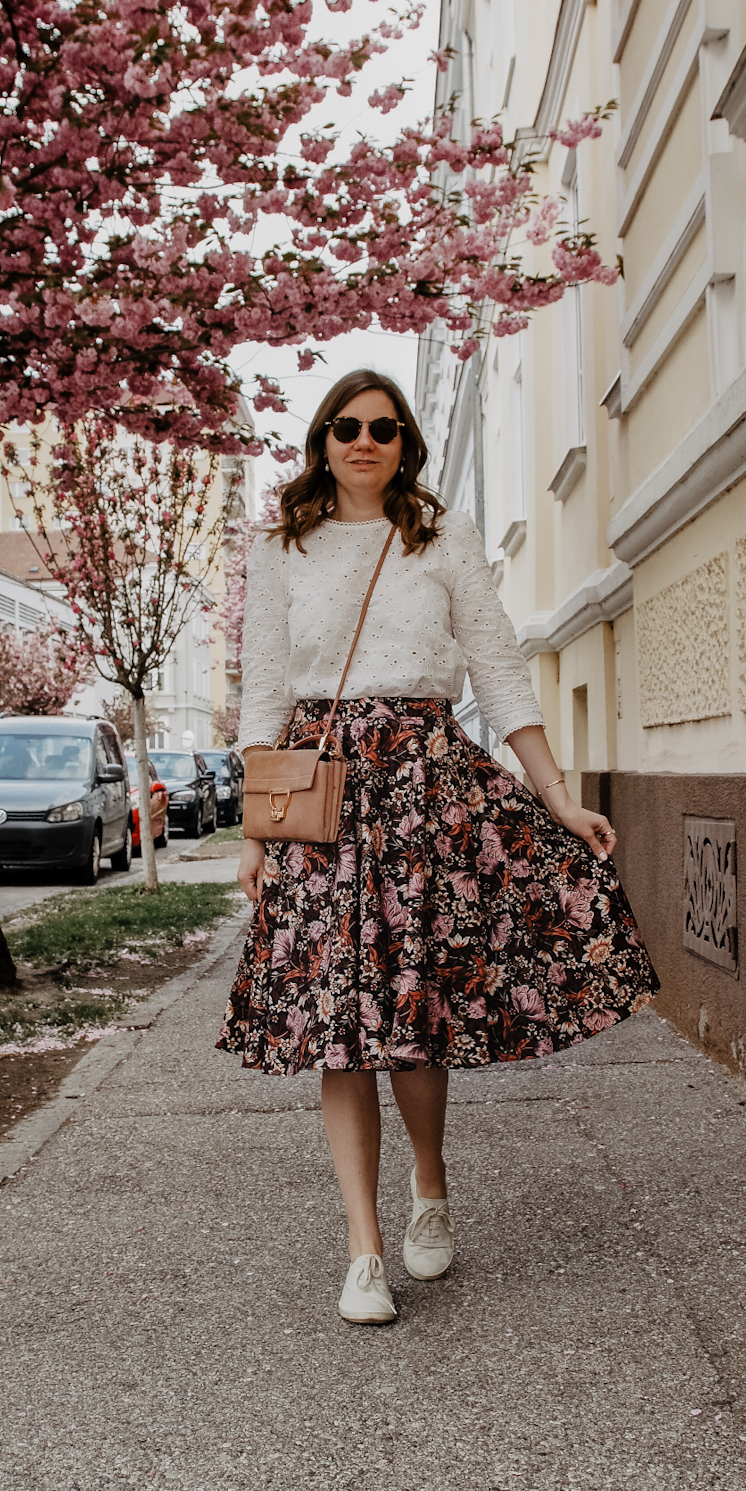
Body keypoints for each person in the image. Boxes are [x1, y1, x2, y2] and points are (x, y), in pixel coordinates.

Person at [217, 370, 658, 1324]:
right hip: (319, 793)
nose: (362, 440)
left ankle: (429, 1183)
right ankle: (363, 1250)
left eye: (382, 427)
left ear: (405, 442)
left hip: (424, 787)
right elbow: (261, 691)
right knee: (340, 1022)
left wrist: (558, 799)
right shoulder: (280, 548)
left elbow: (498, 670)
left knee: (409, 1009)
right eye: (344, 426)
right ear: (321, 441)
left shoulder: (439, 535)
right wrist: (258, 832)